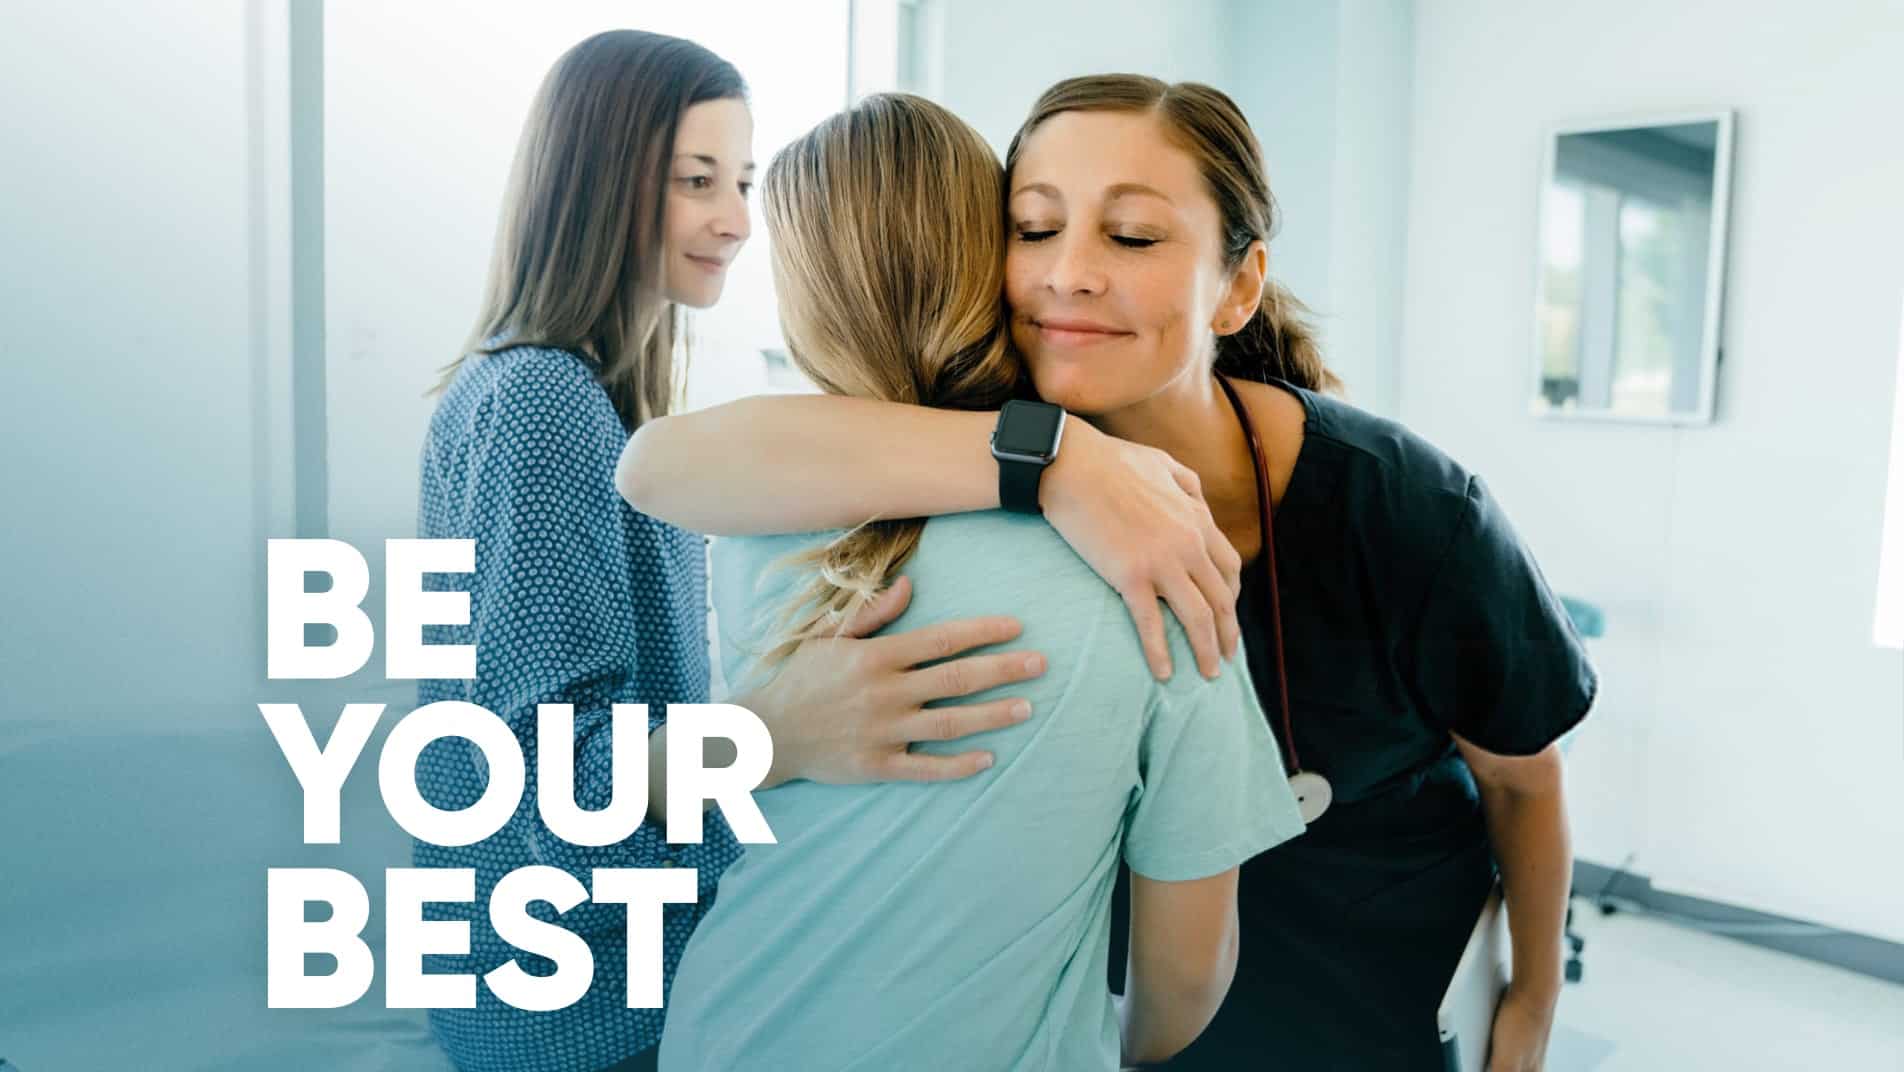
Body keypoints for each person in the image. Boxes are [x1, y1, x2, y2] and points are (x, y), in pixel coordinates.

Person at [620, 74, 1597, 1070]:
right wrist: (1057, 462)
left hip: (1365, 1011)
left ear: (1239, 285)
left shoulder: (1408, 509)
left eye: (1131, 237)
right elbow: (660, 466)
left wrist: (1528, 1001)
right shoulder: (947, 462)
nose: (1069, 273)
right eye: (1034, 228)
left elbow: (1521, 782)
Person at [411, 32, 1077, 1072]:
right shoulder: (541, 403)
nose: (733, 220)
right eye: (694, 182)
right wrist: (780, 728)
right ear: (593, 185)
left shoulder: (587, 402)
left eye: (744, 182)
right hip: (582, 1019)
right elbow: (545, 789)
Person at [655, 92, 1304, 1072]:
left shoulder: (762, 519)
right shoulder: (1158, 563)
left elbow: (655, 473)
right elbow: (1185, 971)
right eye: (1037, 228)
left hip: (726, 1032)